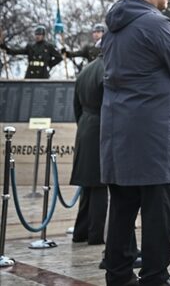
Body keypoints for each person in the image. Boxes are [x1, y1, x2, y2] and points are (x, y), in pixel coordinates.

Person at [101, 0, 170, 286]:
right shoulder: (155, 23)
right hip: (155, 134)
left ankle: (118, 276)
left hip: (120, 133)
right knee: (161, 210)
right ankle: (155, 277)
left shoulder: (115, 28)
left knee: (123, 209)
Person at [70, 51, 108, 245]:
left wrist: (84, 123)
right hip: (101, 128)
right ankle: (96, 235)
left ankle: (80, 232)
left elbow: (76, 106)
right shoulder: (108, 69)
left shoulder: (85, 70)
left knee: (87, 186)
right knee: (100, 186)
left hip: (85, 126)